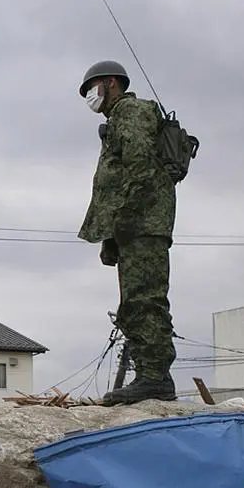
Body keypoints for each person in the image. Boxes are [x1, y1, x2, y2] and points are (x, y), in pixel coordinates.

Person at [78, 60, 178, 405]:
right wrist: (111, 236)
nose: (90, 97)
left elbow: (139, 168)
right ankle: (149, 374)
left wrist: (126, 219)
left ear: (110, 83)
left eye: (92, 88)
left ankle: (154, 377)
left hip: (143, 224)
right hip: (134, 226)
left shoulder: (131, 112)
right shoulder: (118, 119)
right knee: (133, 302)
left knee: (144, 299)